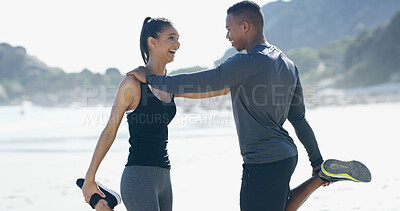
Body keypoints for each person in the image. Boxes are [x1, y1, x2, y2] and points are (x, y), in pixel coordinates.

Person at [127, 1, 371, 211]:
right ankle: (323, 174)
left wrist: (151, 79)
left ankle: (322, 176)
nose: (227, 36)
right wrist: (316, 159)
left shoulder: (246, 63)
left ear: (245, 26)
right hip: (287, 155)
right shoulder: (288, 64)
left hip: (262, 161)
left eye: (229, 29)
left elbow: (201, 81)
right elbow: (299, 119)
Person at [80, 17, 229, 211]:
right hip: (138, 175)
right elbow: (110, 129)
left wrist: (241, 77)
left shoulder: (169, 85)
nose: (178, 43)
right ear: (152, 42)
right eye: (172, 37)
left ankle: (104, 205)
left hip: (164, 178)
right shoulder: (132, 84)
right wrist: (90, 178)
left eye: (178, 38)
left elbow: (215, 90)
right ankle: (102, 205)